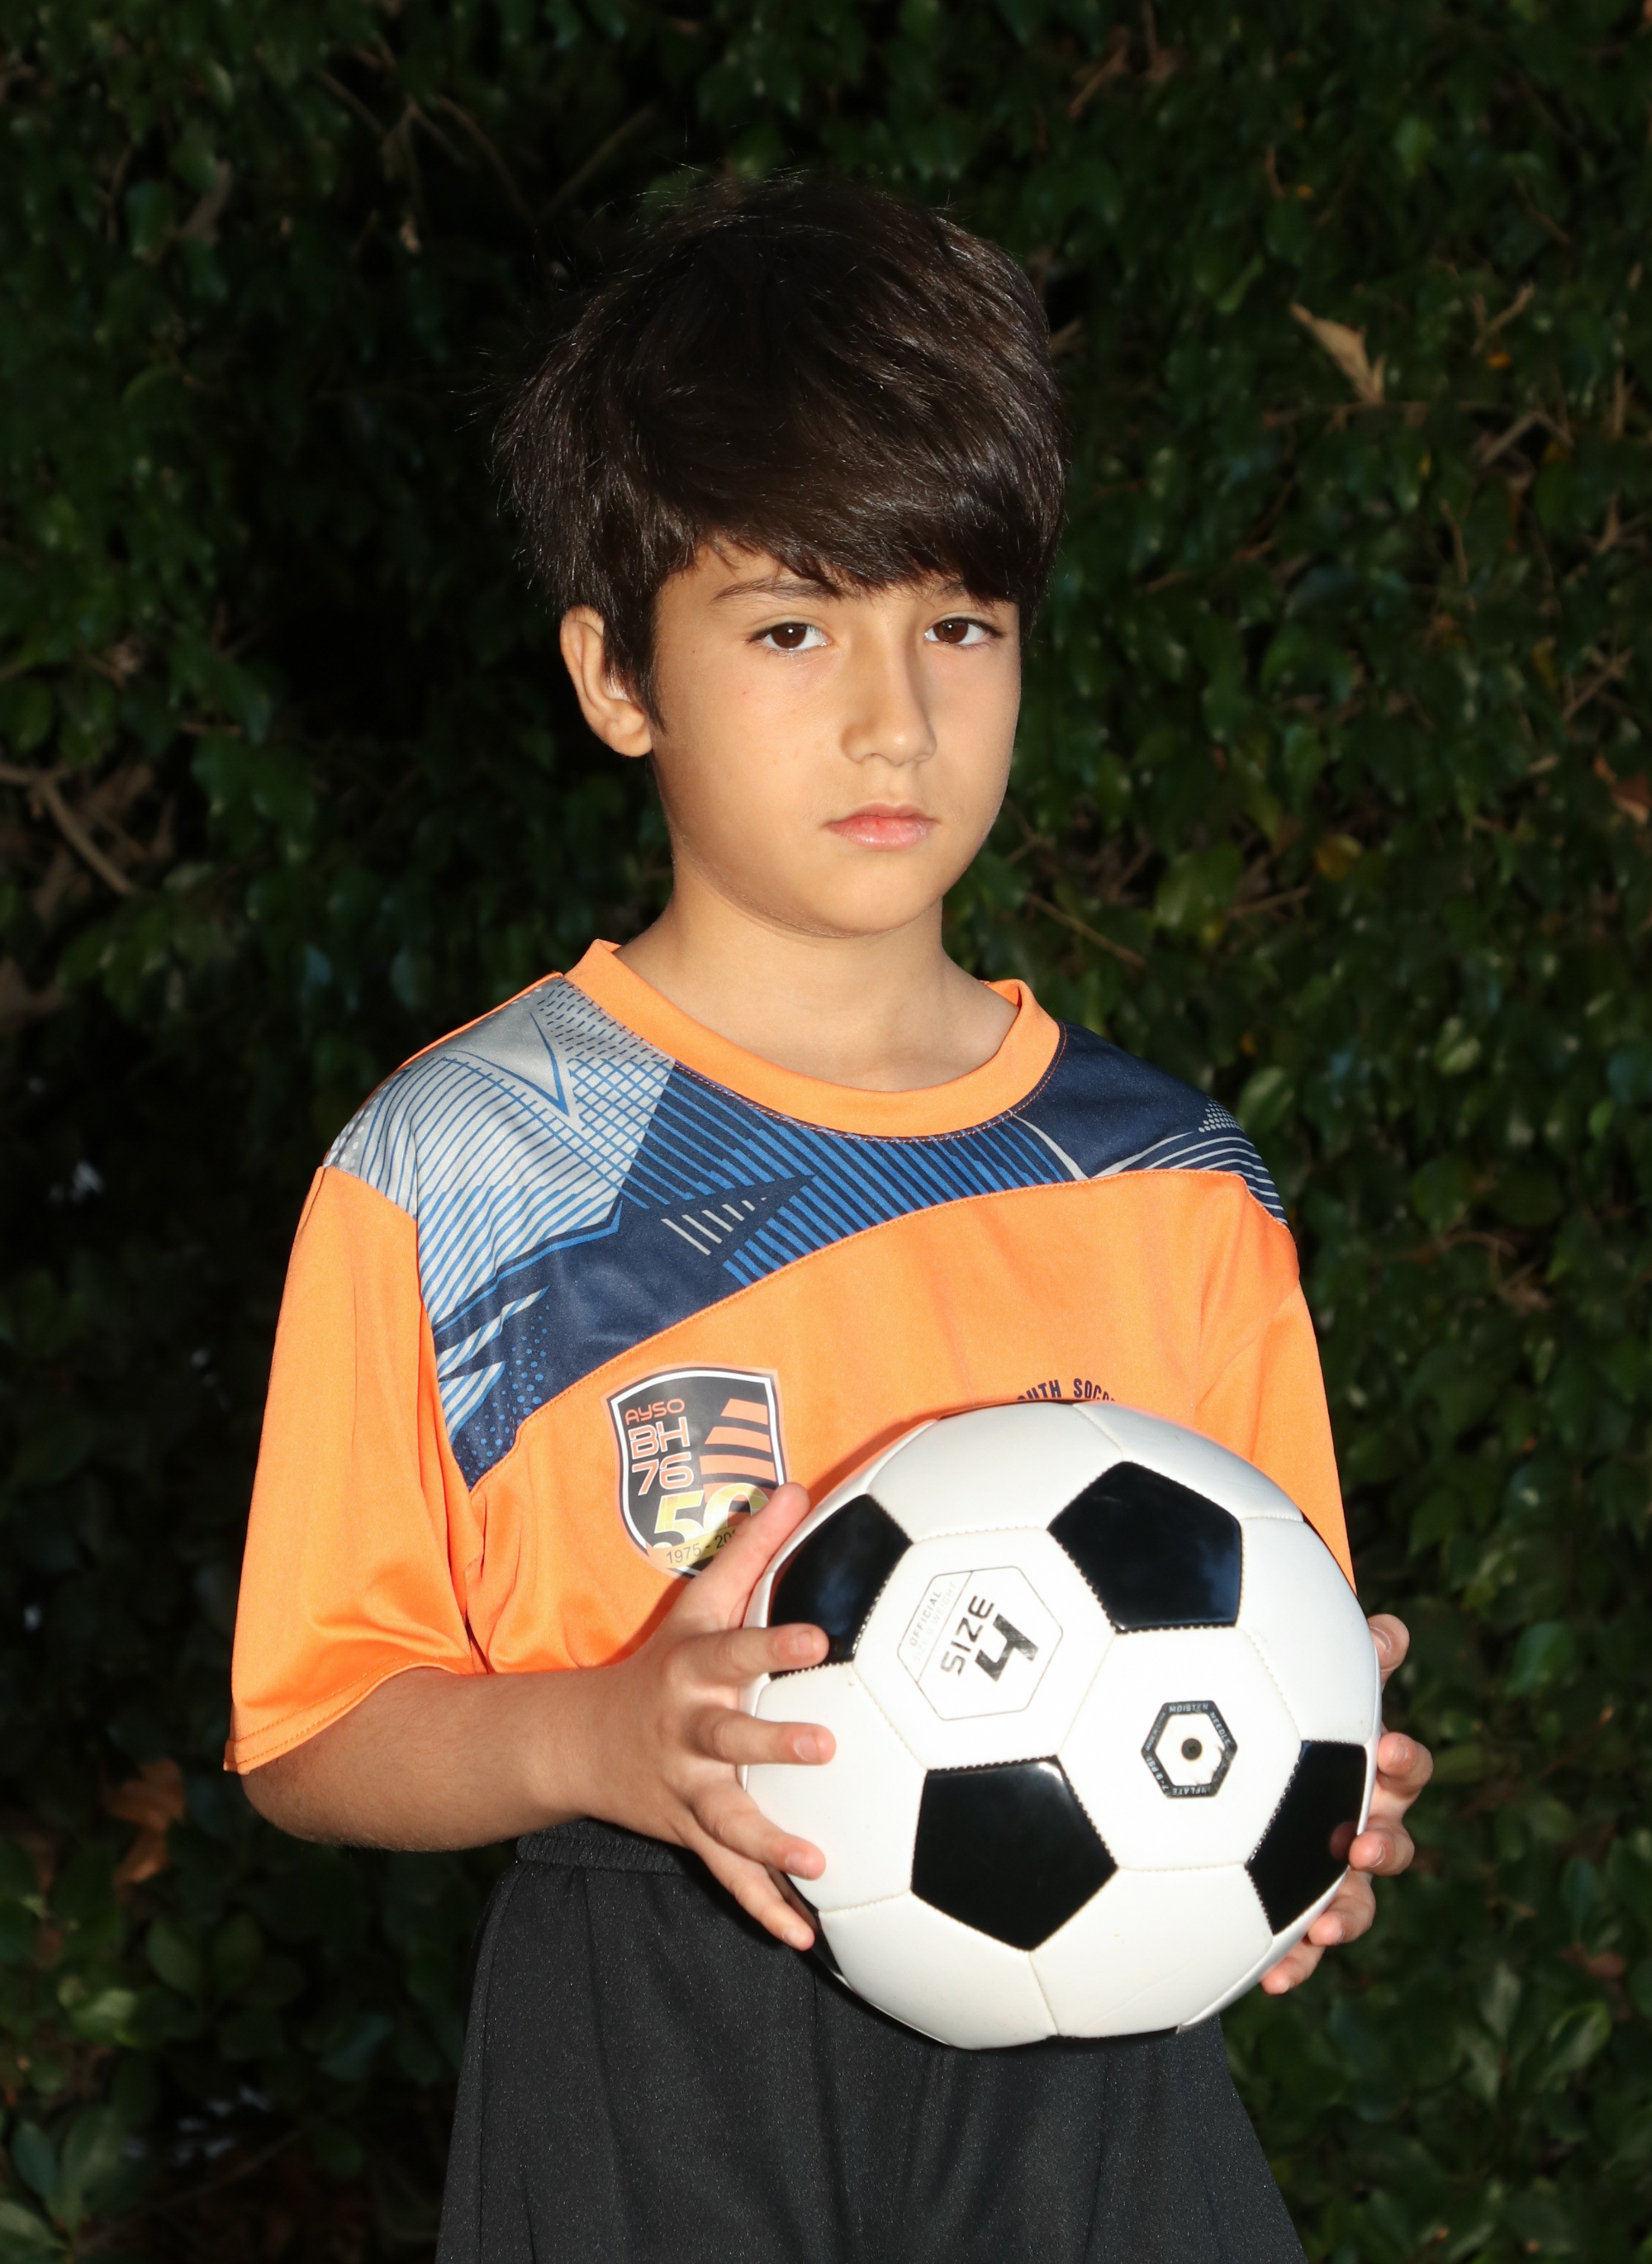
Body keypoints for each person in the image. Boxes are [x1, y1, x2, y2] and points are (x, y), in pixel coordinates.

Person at [228, 179, 1432, 2263]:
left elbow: (1273, 1655)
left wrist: (1305, 1810)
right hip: (654, 2036)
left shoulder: (1167, 1180)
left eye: (957, 623)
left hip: (1090, 2079)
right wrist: (597, 1729)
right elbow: (312, 1735)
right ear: (617, 674)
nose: (896, 716)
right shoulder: (460, 1164)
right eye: (791, 627)